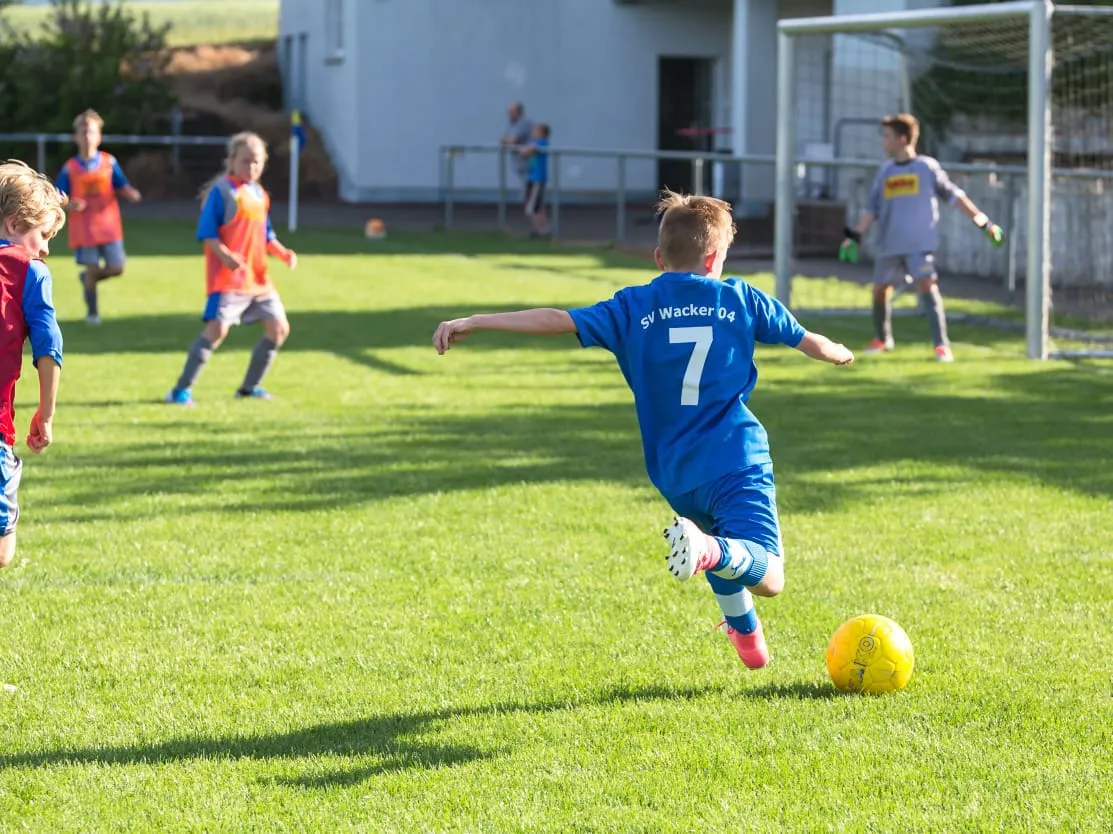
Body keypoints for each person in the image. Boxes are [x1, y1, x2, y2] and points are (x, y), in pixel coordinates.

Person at [432, 190, 854, 669]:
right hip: (735, 457)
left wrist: (478, 321)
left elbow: (556, 319)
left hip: (673, 472)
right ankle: (708, 553)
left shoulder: (633, 306)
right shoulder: (741, 298)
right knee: (767, 574)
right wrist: (838, 351)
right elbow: (809, 341)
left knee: (720, 538)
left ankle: (747, 636)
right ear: (715, 258)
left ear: (658, 258)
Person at [839, 113, 1004, 362]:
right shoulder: (886, 172)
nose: (883, 142)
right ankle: (882, 339)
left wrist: (983, 221)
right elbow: (871, 209)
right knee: (879, 290)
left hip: (919, 245)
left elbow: (954, 195)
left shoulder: (927, 168)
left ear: (902, 139)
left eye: (887, 136)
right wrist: (853, 236)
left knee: (927, 285)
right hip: (890, 244)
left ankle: (942, 346)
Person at [165, 132, 297, 406]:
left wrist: (283, 253)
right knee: (216, 332)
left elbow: (266, 235)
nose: (252, 166)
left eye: (257, 161)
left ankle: (249, 388)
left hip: (258, 279)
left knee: (279, 329)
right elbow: (207, 233)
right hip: (228, 280)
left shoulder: (260, 195)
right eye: (246, 161)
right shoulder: (223, 192)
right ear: (232, 161)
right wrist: (225, 256)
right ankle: (180, 391)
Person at [0, 160, 65, 568]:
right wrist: (46, 413)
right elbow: (48, 345)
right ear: (13, 223)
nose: (45, 249)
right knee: (3, 551)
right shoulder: (29, 271)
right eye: (42, 235)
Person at [56, 109, 142, 325]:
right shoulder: (70, 168)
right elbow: (59, 197)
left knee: (117, 268)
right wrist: (70, 204)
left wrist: (130, 193)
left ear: (99, 136)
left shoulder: (109, 162)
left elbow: (120, 185)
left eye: (91, 132)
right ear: (76, 137)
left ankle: (87, 280)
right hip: (84, 227)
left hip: (108, 224)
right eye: (83, 132)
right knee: (92, 268)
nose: (87, 136)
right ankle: (93, 313)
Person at [519, 123, 551, 238]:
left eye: (536, 131)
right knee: (536, 206)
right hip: (532, 178)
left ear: (542, 133)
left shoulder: (542, 143)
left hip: (537, 179)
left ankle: (543, 231)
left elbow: (526, 151)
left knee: (533, 207)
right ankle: (543, 230)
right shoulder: (535, 142)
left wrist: (525, 149)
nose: (533, 133)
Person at [500, 102, 533, 190]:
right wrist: (505, 140)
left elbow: (513, 140)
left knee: (528, 187)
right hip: (518, 161)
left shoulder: (524, 122)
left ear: (519, 112)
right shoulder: (512, 123)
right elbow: (503, 139)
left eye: (511, 112)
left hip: (527, 162)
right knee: (523, 186)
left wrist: (506, 140)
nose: (509, 114)